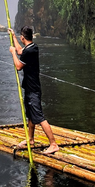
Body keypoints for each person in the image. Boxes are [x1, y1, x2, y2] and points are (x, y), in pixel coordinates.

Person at [9, 26, 59, 154]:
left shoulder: (29, 51)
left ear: (23, 37)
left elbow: (19, 66)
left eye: (20, 37)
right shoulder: (32, 47)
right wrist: (14, 37)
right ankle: (30, 139)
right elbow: (21, 50)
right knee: (31, 115)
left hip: (33, 90)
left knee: (39, 116)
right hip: (31, 87)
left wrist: (13, 53)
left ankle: (53, 144)